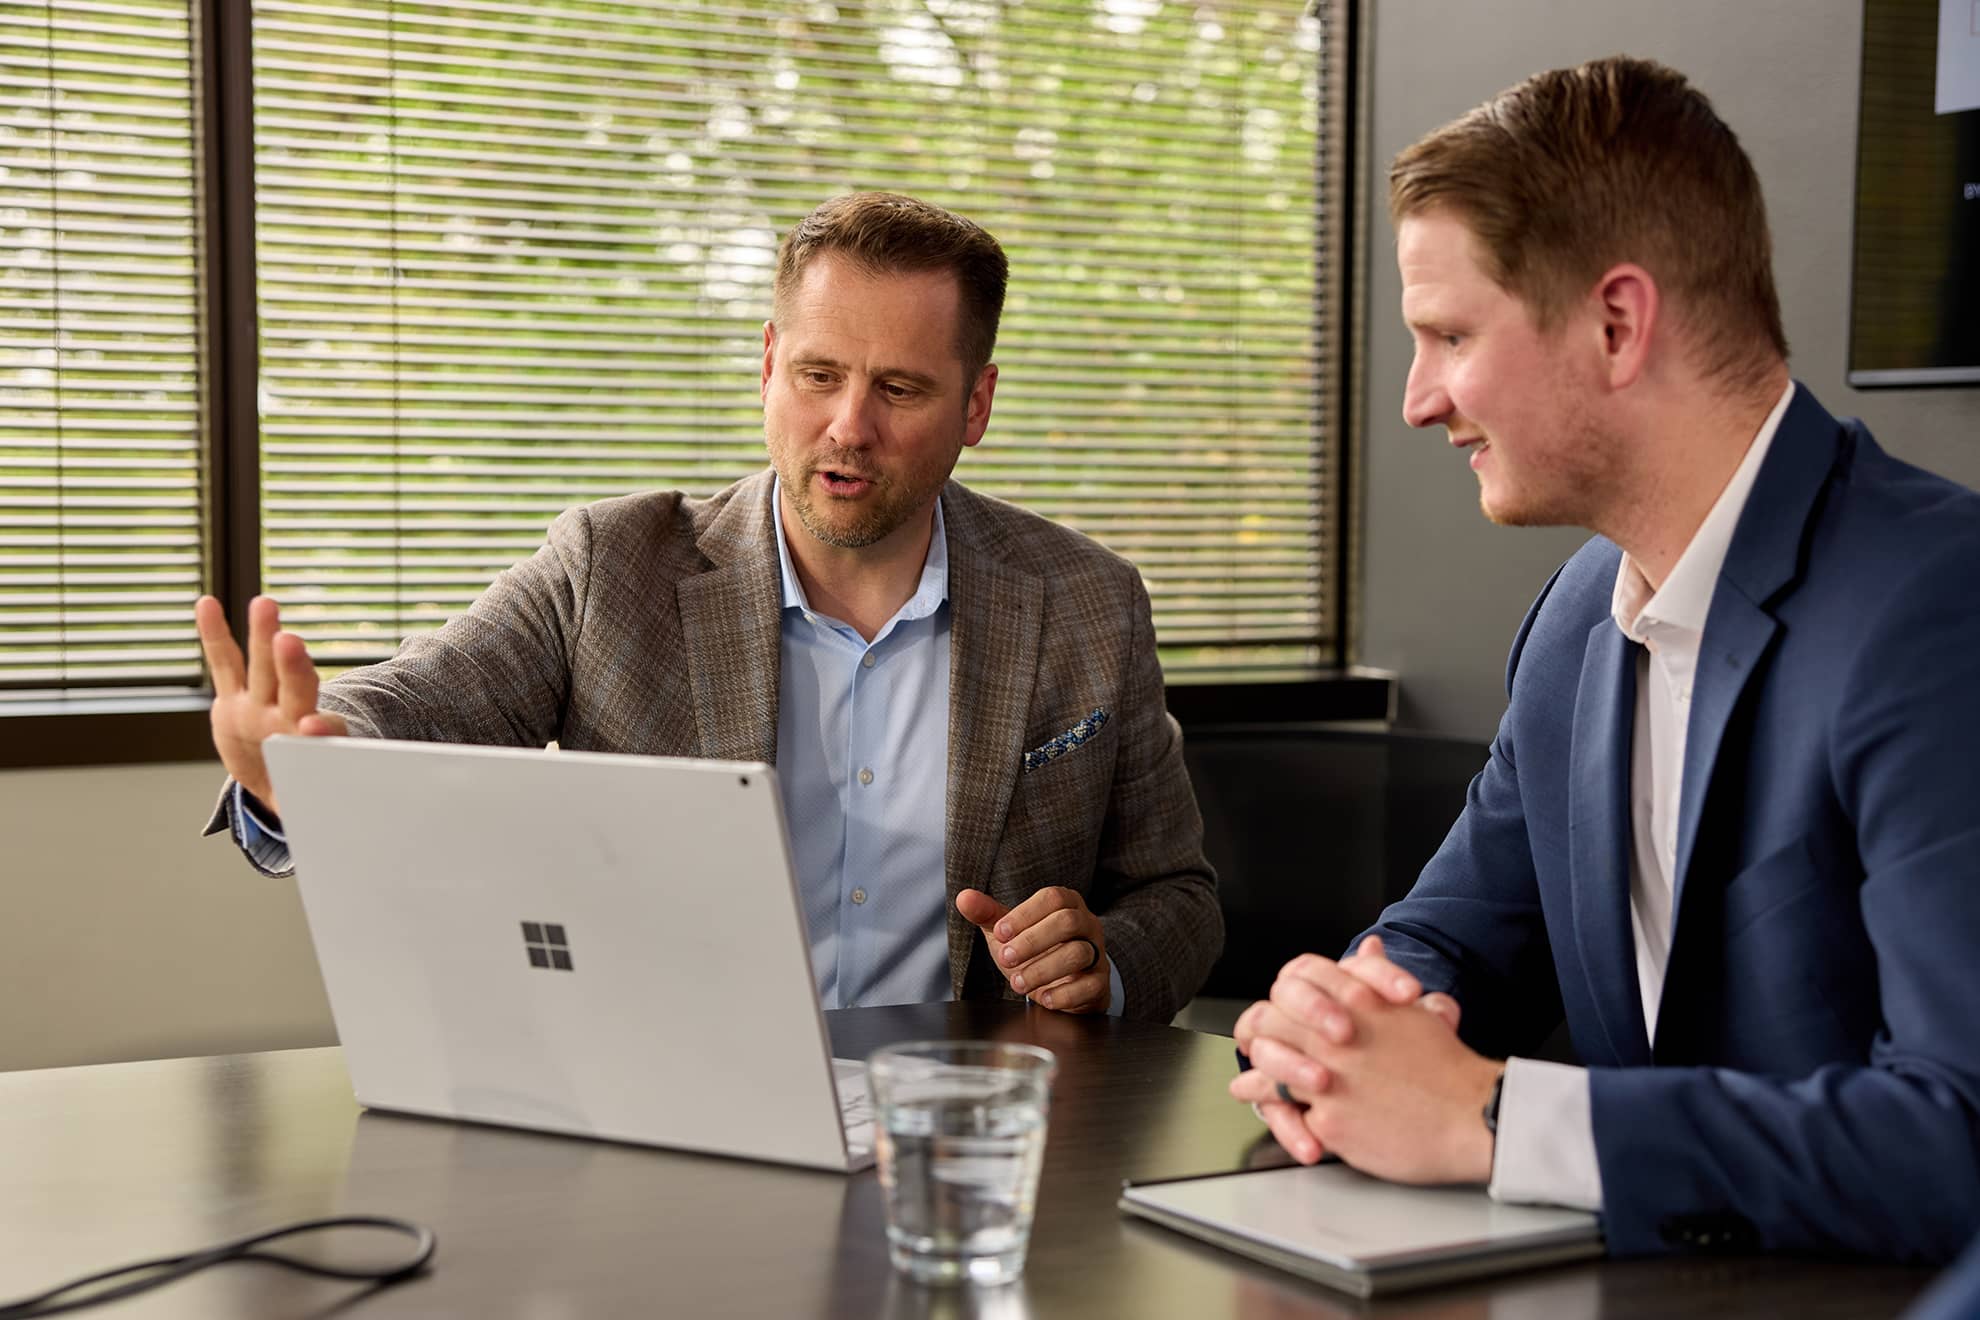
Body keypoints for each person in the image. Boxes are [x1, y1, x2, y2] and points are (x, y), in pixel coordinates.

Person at [1229, 56, 1980, 1261]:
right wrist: (1346, 1018)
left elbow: (1960, 1134)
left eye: (1449, 334)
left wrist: (1494, 1118)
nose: (1420, 399)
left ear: (1618, 324)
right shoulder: (1581, 617)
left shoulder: (1939, 606)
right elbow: (1457, 932)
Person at [197, 191, 1222, 1023]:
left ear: (977, 406)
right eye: (819, 375)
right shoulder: (615, 563)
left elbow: (1178, 899)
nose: (848, 426)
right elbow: (420, 701)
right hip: (679, 1099)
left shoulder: (1088, 604)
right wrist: (305, 764)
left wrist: (1107, 962)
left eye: (900, 390)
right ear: (770, 364)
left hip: (960, 1126)